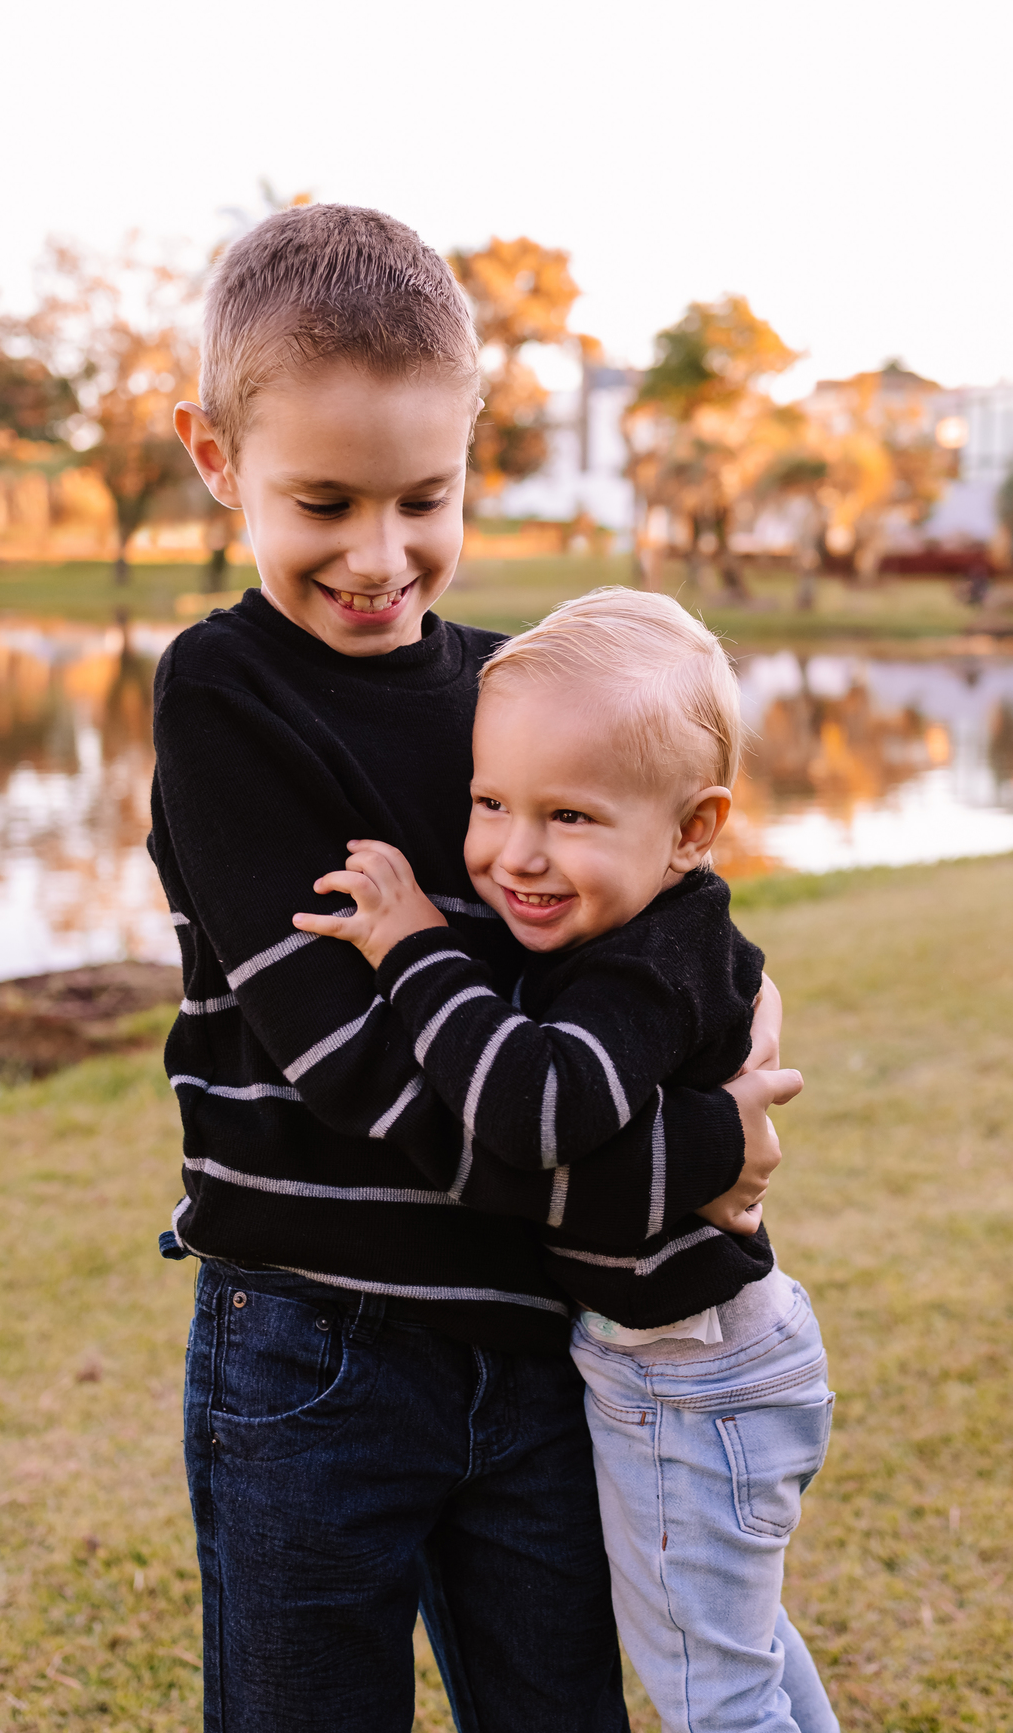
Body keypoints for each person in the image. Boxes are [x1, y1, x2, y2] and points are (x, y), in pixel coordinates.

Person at [150, 202, 793, 1733]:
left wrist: (745, 1028)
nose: (380, 559)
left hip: (535, 1342)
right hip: (314, 1349)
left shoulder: (527, 695)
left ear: (472, 456)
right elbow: (378, 1081)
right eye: (324, 503)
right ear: (214, 456)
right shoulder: (225, 700)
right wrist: (710, 1141)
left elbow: (680, 946)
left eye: (421, 499)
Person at [296, 586, 836, 1733]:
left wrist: (415, 946)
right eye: (491, 802)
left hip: (690, 1379)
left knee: (714, 1691)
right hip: (704, 1362)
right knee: (740, 1651)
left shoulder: (649, 965)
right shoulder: (642, 928)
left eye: (571, 818)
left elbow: (534, 1107)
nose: (515, 855)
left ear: (692, 830)